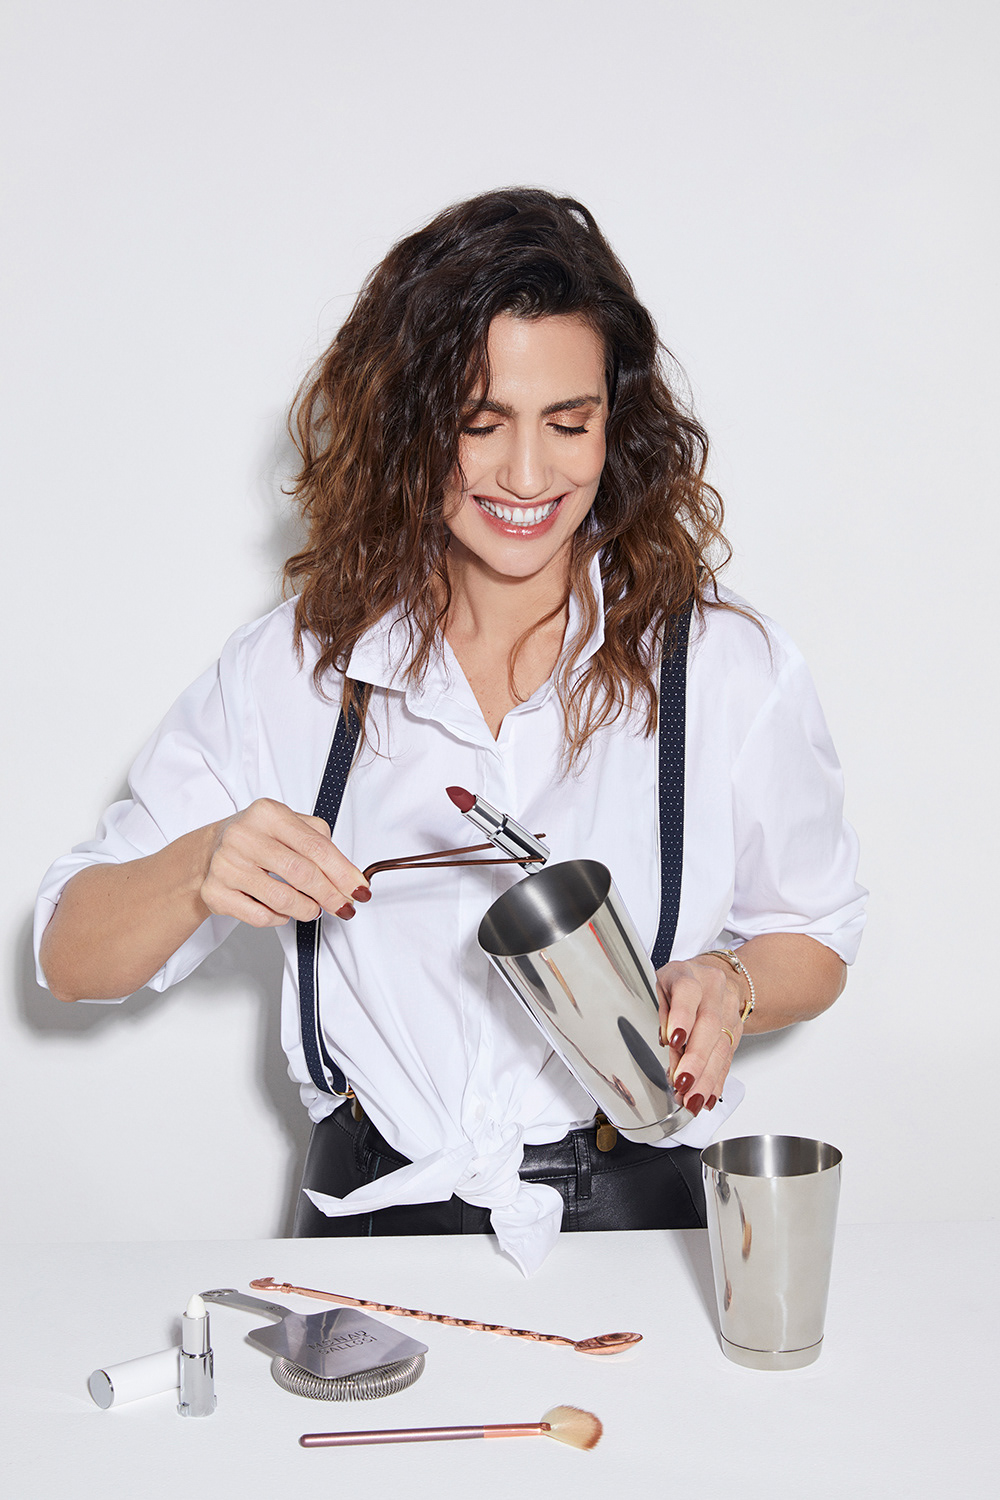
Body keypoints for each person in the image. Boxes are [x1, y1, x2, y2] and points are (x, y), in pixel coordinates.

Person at [34, 188, 865, 1274]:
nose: (527, 476)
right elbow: (70, 956)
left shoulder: (723, 665)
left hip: (638, 1232)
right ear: (410, 426)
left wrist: (733, 984)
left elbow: (816, 933)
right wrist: (201, 866)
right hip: (366, 1230)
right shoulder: (291, 669)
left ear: (615, 427)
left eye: (568, 423)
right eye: (480, 424)